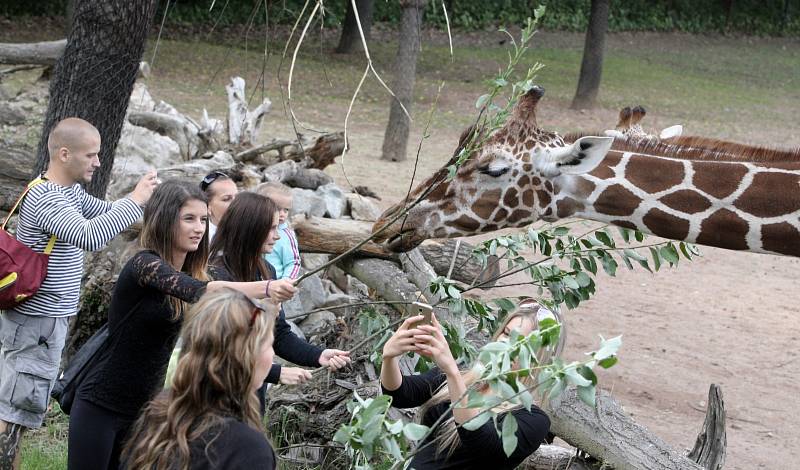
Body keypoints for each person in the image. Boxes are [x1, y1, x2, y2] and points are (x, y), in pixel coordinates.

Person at [67, 181, 275, 470]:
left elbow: (215, 340)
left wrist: (271, 367)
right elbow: (201, 291)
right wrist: (265, 287)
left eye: (203, 219)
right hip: (101, 403)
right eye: (188, 219)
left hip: (146, 410)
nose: (199, 228)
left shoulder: (196, 271)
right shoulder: (144, 265)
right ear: (165, 219)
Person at [0, 117, 157, 469]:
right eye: (92, 155)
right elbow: (90, 235)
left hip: (48, 317)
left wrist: (150, 206)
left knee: (23, 400)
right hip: (37, 319)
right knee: (18, 402)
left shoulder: (68, 192)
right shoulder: (45, 199)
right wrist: (134, 200)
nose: (98, 162)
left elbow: (104, 213)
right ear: (65, 154)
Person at [380, 300, 558, 469]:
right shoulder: (462, 377)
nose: (505, 343)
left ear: (536, 358)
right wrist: (390, 357)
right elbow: (399, 394)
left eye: (519, 342)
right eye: (506, 333)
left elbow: (481, 443)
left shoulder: (534, 420)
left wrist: (452, 372)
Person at [208, 192, 350, 395]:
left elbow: (279, 334)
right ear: (251, 228)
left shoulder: (266, 269)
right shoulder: (216, 273)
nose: (278, 236)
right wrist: (276, 373)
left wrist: (319, 356)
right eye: (272, 228)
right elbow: (220, 349)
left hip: (254, 392)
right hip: (218, 392)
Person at [122, 288, 278, 470]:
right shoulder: (247, 449)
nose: (273, 354)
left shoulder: (159, 416)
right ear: (244, 356)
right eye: (269, 344)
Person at [256, 182, 301, 279]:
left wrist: (286, 281)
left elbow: (293, 262)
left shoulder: (286, 235)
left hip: (277, 283)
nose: (282, 214)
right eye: (277, 208)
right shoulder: (253, 228)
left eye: (286, 210)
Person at [200, 171, 238, 241]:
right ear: (208, 206)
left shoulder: (248, 229)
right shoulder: (200, 239)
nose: (236, 203)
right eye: (226, 199)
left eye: (237, 197)